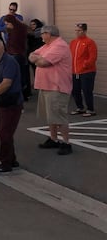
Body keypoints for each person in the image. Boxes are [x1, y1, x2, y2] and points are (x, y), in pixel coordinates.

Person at [29, 25, 73, 155]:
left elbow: (43, 63)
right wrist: (38, 59)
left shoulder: (59, 46)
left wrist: (38, 59)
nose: (41, 36)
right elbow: (32, 55)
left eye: (42, 34)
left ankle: (66, 143)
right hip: (46, 86)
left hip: (56, 87)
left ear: (49, 34)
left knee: (59, 116)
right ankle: (53, 139)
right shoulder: (47, 46)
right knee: (50, 116)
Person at [0, 38, 24, 174]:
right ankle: (12, 160)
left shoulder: (9, 62)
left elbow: (6, 82)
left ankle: (5, 163)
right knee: (2, 131)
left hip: (10, 103)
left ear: (2, 47)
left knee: (5, 132)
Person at [69, 23, 97, 117]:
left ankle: (90, 109)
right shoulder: (73, 42)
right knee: (75, 91)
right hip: (75, 71)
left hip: (87, 72)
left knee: (87, 90)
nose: (77, 32)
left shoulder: (90, 42)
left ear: (84, 31)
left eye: (79, 30)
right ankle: (80, 108)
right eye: (76, 30)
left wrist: (85, 65)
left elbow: (92, 57)